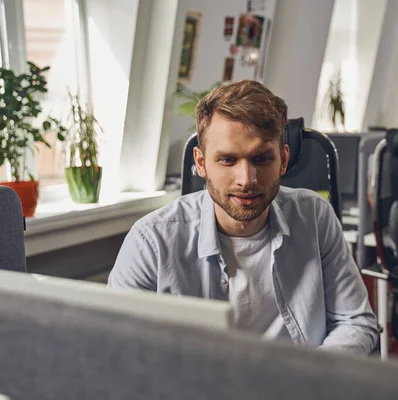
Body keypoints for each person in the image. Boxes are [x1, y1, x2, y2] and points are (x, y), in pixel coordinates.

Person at [108, 80, 378, 354]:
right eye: (227, 160)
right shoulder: (151, 241)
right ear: (201, 163)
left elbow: (355, 321)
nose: (246, 180)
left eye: (261, 159)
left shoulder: (316, 216)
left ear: (283, 160)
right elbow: (119, 347)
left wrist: (304, 381)